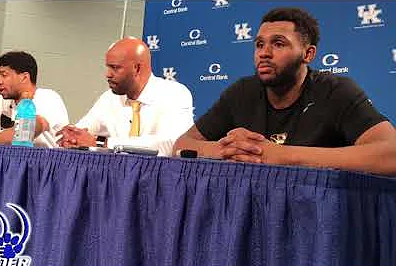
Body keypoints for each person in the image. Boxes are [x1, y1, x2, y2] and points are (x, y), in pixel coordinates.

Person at [173, 7, 396, 176]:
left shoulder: (336, 91)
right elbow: (182, 145)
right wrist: (225, 151)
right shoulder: (241, 92)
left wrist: (280, 155)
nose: (264, 53)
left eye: (278, 44)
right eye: (259, 44)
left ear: (308, 54)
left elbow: (391, 154)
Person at [57, 37, 194, 156]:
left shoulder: (175, 93)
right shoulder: (109, 98)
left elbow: (170, 143)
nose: (108, 74)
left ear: (137, 68)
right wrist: (72, 136)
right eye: (108, 67)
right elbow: (84, 130)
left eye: (115, 68)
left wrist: (102, 143)